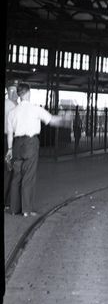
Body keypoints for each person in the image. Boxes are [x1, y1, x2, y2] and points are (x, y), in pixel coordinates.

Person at [5, 83, 71, 216]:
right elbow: (52, 120)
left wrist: (10, 149)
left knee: (16, 177)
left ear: (18, 95)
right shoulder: (35, 109)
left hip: (17, 144)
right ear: (28, 93)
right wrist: (65, 118)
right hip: (30, 143)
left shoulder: (12, 112)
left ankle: (13, 209)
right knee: (28, 176)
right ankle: (26, 210)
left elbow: (10, 134)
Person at [4, 80, 19, 208]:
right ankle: (7, 201)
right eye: (12, 91)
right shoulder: (13, 106)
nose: (15, 94)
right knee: (10, 170)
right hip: (10, 139)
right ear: (9, 92)